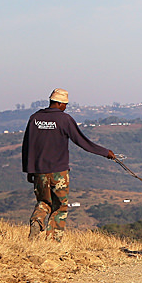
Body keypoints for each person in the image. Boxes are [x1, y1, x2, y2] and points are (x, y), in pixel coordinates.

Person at [21, 88, 115, 241]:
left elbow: (27, 145)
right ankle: (53, 242)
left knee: (43, 202)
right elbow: (82, 141)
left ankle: (37, 223)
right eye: (65, 105)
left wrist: (29, 170)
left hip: (39, 171)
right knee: (60, 206)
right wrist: (105, 152)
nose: (65, 108)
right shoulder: (64, 119)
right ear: (59, 103)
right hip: (59, 172)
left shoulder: (34, 119)